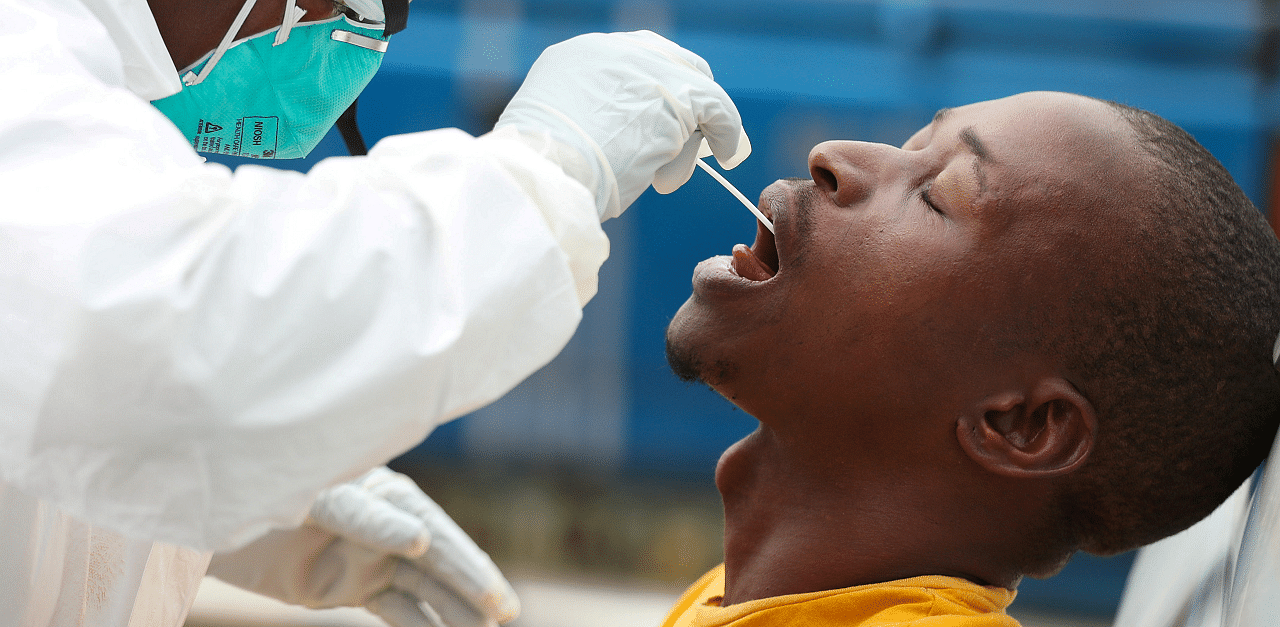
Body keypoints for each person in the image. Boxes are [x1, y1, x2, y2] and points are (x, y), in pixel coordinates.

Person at [0, 0, 750, 623]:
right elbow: (183, 342)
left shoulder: (80, 88)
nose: (361, 33)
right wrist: (552, 163)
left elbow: (75, 366)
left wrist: (261, 500)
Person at [657, 91, 1280, 627]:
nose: (834, 156)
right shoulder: (758, 598)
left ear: (1022, 424)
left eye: (936, 195)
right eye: (914, 143)